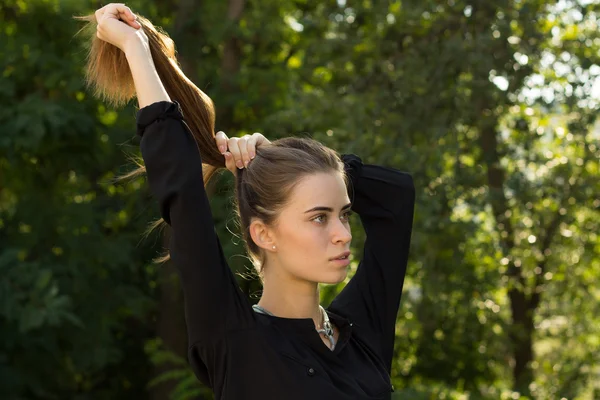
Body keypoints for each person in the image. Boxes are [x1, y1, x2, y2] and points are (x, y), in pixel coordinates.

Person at [78, 4, 415, 399]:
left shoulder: (361, 331)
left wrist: (281, 160)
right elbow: (182, 193)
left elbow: (396, 198)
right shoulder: (235, 340)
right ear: (263, 234)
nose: (343, 234)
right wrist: (135, 47)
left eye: (343, 214)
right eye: (320, 217)